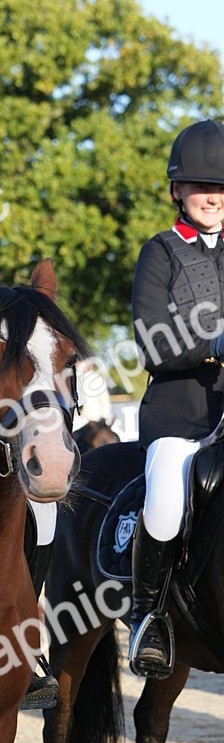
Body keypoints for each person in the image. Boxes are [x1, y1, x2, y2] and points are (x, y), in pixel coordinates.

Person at [130, 119, 224, 677]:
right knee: (165, 498)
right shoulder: (160, 253)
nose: (213, 196)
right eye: (200, 186)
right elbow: (152, 340)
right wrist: (214, 341)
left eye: (222, 187)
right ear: (176, 191)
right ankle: (150, 618)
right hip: (181, 418)